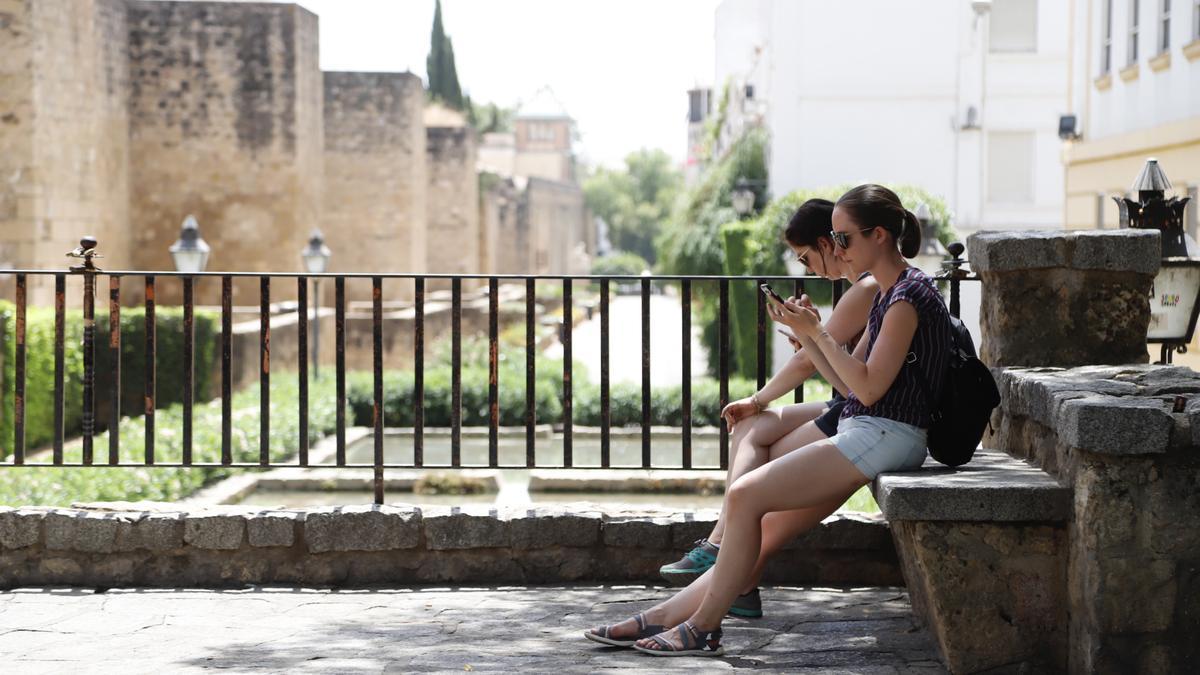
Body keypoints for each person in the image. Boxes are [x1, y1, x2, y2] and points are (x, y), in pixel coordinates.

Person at [584, 184, 952, 656]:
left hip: (885, 432)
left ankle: (702, 627)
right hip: (868, 428)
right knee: (758, 516)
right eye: (835, 239)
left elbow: (869, 388)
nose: (836, 250)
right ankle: (660, 619)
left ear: (878, 235)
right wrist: (813, 337)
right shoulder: (889, 293)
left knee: (744, 495)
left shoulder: (906, 297)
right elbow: (849, 383)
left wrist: (816, 333)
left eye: (843, 239)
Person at [657, 199, 880, 622]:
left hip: (859, 414)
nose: (808, 268)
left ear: (829, 243)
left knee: (763, 460)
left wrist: (765, 391)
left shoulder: (868, 288)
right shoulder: (867, 289)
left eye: (806, 257)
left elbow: (827, 373)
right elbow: (840, 368)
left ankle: (730, 569)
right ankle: (723, 553)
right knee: (752, 429)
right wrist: (811, 338)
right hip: (849, 406)